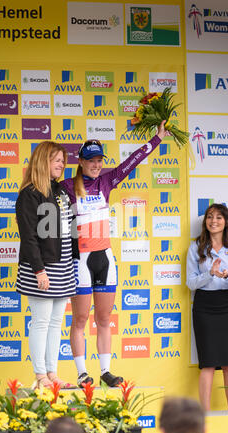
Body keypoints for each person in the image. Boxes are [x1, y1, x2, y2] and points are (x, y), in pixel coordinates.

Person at [61, 121, 168, 387]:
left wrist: (157, 139)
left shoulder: (107, 181)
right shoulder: (66, 186)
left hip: (105, 258)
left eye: (99, 160)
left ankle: (106, 371)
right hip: (81, 260)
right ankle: (82, 373)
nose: (96, 165)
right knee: (81, 319)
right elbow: (38, 193)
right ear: (81, 162)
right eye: (91, 161)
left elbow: (131, 162)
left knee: (105, 319)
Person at [16, 141, 78, 389]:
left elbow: (69, 229)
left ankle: (52, 373)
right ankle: (40, 374)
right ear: (43, 161)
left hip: (63, 266)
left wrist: (72, 262)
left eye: (63, 161)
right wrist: (39, 270)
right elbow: (29, 236)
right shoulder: (29, 194)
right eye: (57, 160)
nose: (62, 165)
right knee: (41, 321)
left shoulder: (60, 191)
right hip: (41, 268)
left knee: (56, 323)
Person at [186, 203, 228, 411]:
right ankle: (205, 415)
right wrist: (209, 273)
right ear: (205, 222)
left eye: (218, 217)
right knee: (207, 363)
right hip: (204, 307)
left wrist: (227, 276)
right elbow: (191, 283)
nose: (213, 221)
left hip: (227, 306)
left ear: (226, 221)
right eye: (209, 217)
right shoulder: (196, 247)